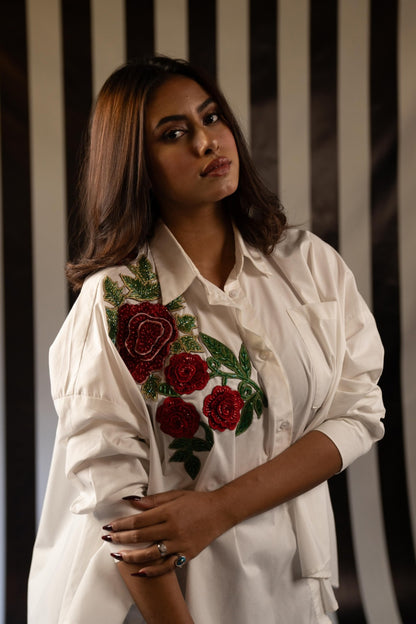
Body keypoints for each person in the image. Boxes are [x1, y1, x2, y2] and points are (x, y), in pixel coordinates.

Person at [28, 56, 385, 624]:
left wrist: (219, 509)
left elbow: (360, 408)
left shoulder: (306, 263)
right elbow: (118, 505)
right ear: (134, 164)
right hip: (166, 605)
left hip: (295, 590)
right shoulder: (116, 302)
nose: (205, 142)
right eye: (174, 133)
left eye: (211, 117)